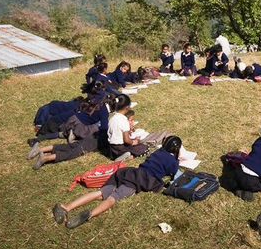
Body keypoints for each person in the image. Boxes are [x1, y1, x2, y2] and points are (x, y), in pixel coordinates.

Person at [51, 136, 182, 229]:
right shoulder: (173, 162)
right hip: (139, 181)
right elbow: (172, 173)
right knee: (114, 198)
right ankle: (90, 214)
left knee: (100, 193)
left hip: (128, 173)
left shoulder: (158, 152)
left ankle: (66, 207)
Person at [107, 94, 148, 161]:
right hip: (120, 148)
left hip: (111, 148)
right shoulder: (124, 120)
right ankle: (126, 156)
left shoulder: (112, 118)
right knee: (144, 148)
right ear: (127, 107)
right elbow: (126, 140)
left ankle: (120, 156)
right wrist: (133, 142)